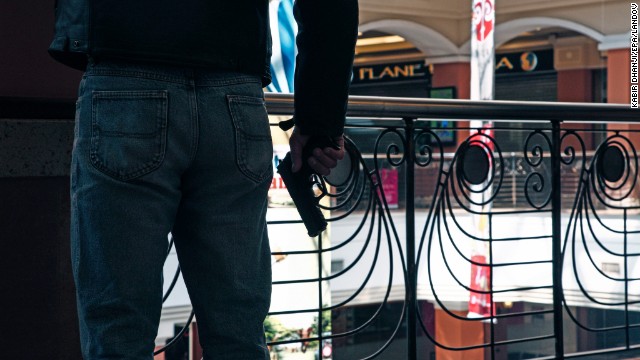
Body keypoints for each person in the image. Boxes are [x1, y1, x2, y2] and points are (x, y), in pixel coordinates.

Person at [49, 0, 358, 359]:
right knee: (238, 332)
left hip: (124, 74)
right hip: (234, 93)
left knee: (118, 332)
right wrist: (318, 121)